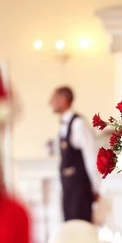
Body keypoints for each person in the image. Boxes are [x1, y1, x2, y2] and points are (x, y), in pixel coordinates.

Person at [49, 86, 100, 222]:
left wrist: (95, 187)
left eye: (53, 98)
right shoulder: (63, 125)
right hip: (68, 187)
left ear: (63, 100)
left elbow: (90, 155)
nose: (50, 102)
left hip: (80, 187)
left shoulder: (79, 124)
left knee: (81, 226)